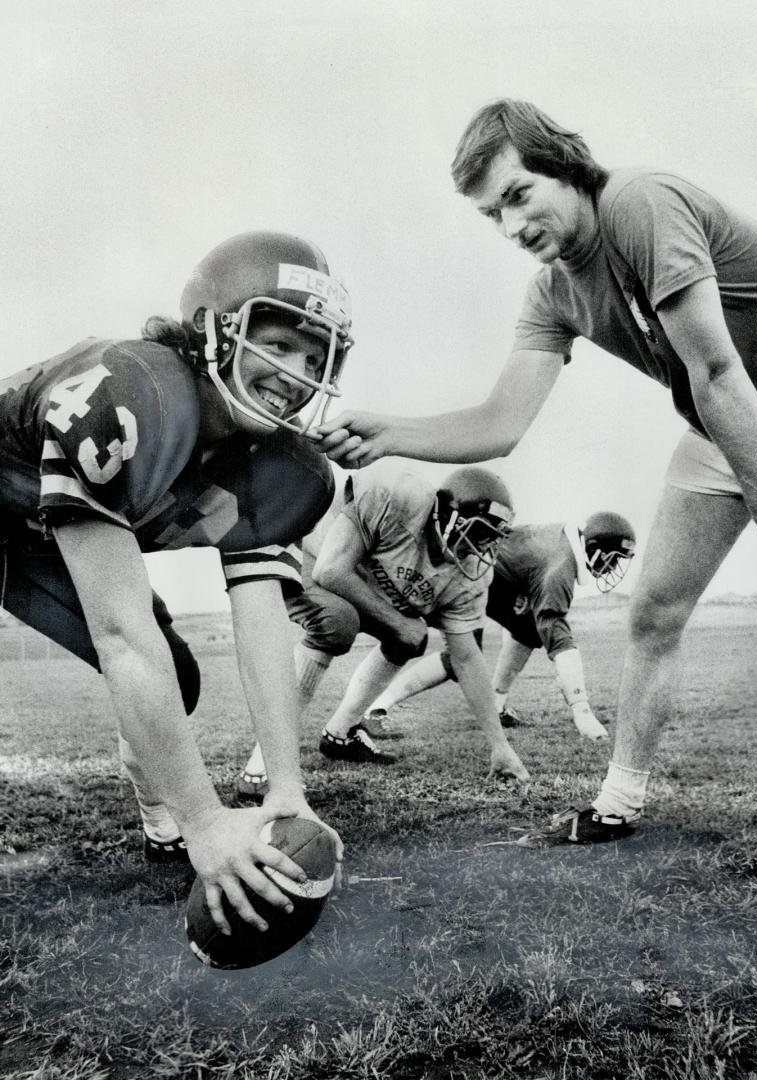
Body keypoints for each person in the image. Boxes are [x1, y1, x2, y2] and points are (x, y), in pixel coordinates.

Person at [313, 99, 757, 957]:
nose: (511, 224)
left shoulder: (638, 202)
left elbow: (712, 362)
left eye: (519, 195)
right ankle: (619, 799)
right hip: (723, 418)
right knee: (653, 610)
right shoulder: (552, 290)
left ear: (568, 165)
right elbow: (502, 421)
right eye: (491, 215)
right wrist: (388, 432)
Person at [0, 230, 351, 936]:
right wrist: (208, 821)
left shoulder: (279, 468)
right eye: (279, 345)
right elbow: (122, 636)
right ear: (210, 328)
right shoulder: (135, 394)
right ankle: (178, 817)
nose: (296, 372)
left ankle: (156, 814)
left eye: (315, 358)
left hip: (37, 536)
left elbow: (261, 622)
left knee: (177, 681)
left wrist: (287, 785)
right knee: (140, 654)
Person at [235, 461, 529, 801]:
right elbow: (331, 571)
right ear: (449, 514)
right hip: (306, 550)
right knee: (336, 623)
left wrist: (500, 746)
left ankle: (340, 733)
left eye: (491, 539)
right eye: (479, 533)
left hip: (352, 575)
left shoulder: (468, 576)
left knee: (408, 640)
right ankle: (261, 769)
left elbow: (466, 657)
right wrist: (399, 622)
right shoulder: (397, 495)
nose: (480, 548)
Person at [363, 511, 635, 743]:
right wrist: (581, 709)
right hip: (467, 577)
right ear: (594, 548)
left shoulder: (560, 543)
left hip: (488, 577)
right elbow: (559, 639)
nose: (613, 568)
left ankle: (496, 703)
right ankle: (376, 709)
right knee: (462, 658)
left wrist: (520, 592)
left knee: (529, 630)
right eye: (613, 558)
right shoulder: (560, 566)